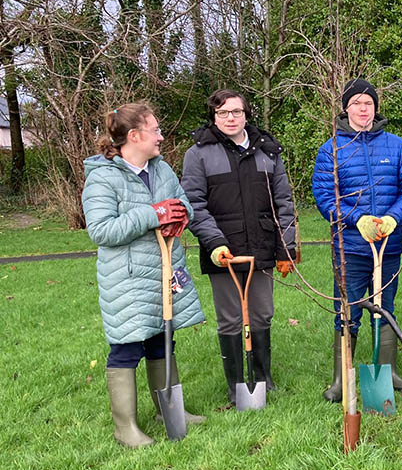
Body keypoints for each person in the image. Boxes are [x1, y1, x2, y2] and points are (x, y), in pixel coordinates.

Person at [82, 103, 205, 447]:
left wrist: (181, 216)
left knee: (161, 340)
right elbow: (102, 231)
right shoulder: (103, 177)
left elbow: (183, 203)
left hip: (164, 271)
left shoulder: (162, 169)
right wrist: (153, 214)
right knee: (126, 347)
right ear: (134, 136)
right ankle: (126, 429)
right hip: (129, 279)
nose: (161, 137)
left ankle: (170, 411)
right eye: (155, 131)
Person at [181, 89, 297, 402]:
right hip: (223, 251)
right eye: (223, 113)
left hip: (261, 246)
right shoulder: (199, 154)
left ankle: (262, 378)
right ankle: (235, 386)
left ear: (247, 114)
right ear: (214, 117)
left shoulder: (268, 151)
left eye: (236, 112)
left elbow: (283, 203)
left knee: (262, 314)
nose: (230, 118)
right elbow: (194, 204)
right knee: (231, 318)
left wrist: (287, 249)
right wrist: (214, 243)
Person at [312, 78, 402, 401]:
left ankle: (386, 374)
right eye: (357, 103)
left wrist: (393, 218)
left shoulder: (396, 146)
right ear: (346, 109)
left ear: (375, 108)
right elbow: (324, 196)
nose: (364, 109)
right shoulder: (331, 149)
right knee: (347, 311)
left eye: (369, 103)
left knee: (385, 307)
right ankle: (339, 380)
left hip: (387, 246)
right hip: (351, 248)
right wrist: (355, 218)